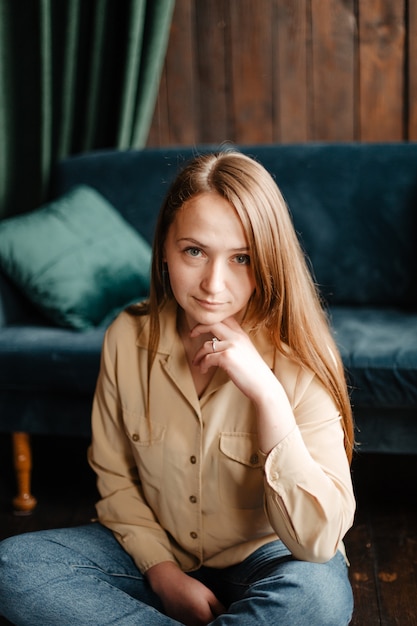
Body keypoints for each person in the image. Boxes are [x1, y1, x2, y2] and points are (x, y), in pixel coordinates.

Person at [0, 150, 356, 625]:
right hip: (157, 548)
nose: (214, 284)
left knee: (318, 600)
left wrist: (267, 394)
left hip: (271, 559)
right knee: (13, 567)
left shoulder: (303, 354)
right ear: (165, 249)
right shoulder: (127, 338)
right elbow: (116, 478)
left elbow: (316, 540)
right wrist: (164, 574)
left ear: (268, 260)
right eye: (194, 251)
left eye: (242, 258)